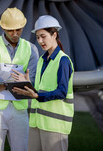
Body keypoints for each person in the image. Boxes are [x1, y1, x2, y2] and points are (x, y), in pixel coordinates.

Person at [12, 15, 74, 151]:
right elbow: (41, 89)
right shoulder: (41, 60)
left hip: (55, 126)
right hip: (36, 123)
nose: (40, 41)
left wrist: (37, 96)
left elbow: (62, 92)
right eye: (38, 37)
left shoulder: (63, 61)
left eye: (43, 36)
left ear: (54, 34)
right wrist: (27, 83)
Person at [0, 7, 39, 151]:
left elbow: (32, 80)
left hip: (19, 109)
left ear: (23, 26)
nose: (15, 34)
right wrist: (20, 79)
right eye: (10, 30)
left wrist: (3, 82)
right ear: (3, 27)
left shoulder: (32, 49)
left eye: (18, 29)